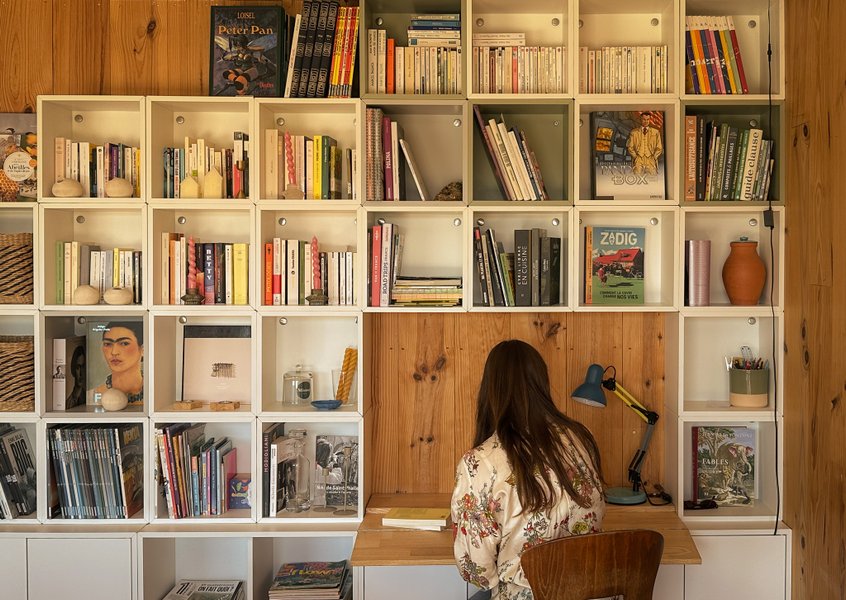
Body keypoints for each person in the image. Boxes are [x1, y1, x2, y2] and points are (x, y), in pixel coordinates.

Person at [452, 340, 606, 600]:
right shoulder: (582, 438)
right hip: (590, 591)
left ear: (490, 390)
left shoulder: (479, 463)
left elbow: (477, 573)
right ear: (541, 384)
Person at [88, 321, 144, 407]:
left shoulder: (157, 395)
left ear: (143, 349)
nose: (114, 352)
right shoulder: (90, 398)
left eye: (124, 343)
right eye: (108, 344)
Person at [626, 112, 663, 176]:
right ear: (641, 119)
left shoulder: (656, 132)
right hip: (638, 159)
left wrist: (654, 157)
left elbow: (659, 147)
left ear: (650, 120)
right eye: (644, 119)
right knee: (637, 178)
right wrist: (635, 157)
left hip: (651, 159)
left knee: (652, 178)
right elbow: (630, 147)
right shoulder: (634, 132)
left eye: (648, 119)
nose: (646, 121)